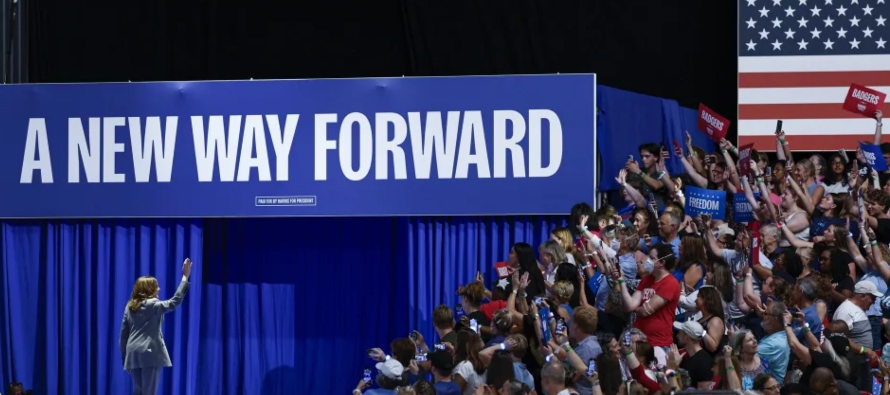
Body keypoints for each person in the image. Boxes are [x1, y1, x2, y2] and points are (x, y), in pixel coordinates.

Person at [120, 258, 193, 395]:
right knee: (149, 392)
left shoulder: (129, 307)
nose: (158, 289)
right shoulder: (153, 304)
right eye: (156, 286)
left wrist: (126, 360)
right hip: (149, 353)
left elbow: (123, 336)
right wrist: (185, 277)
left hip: (133, 355)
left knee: (138, 392)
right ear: (150, 289)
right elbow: (175, 301)